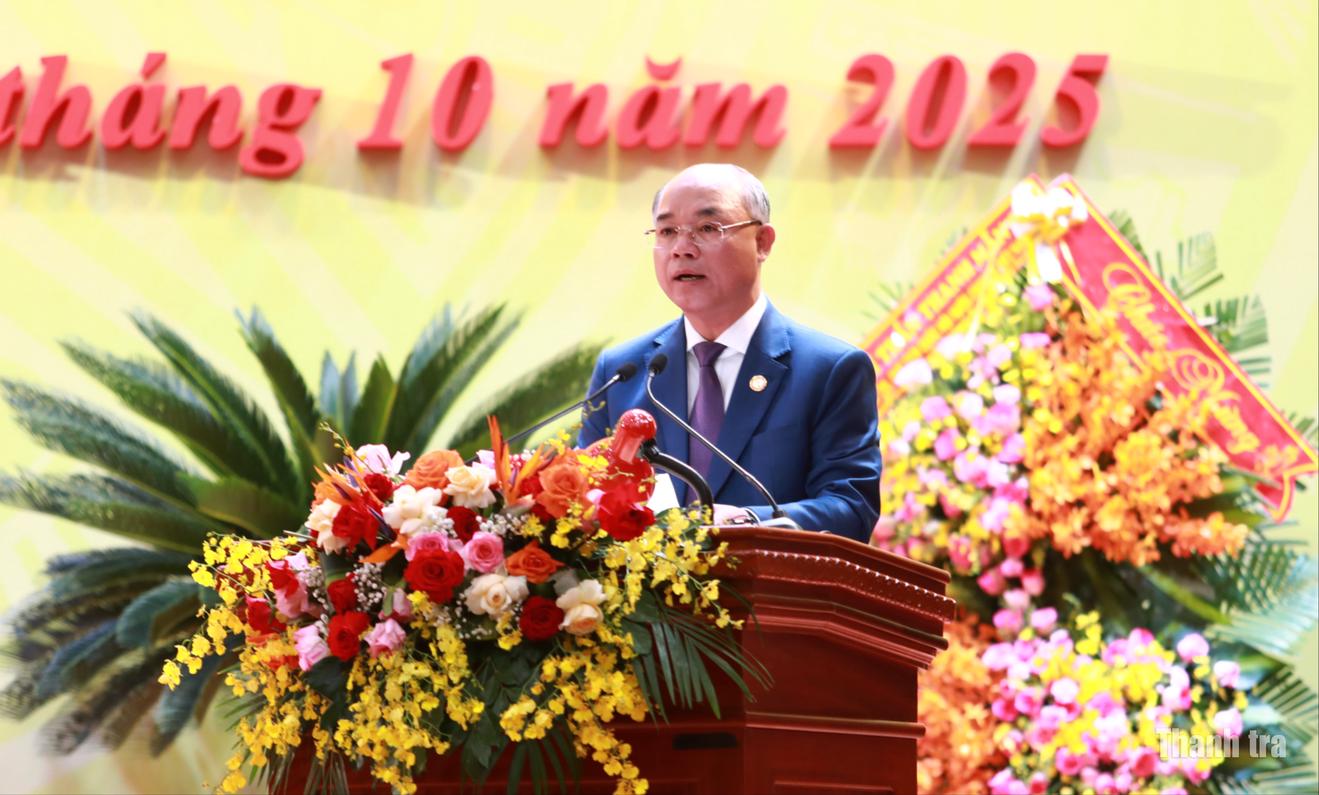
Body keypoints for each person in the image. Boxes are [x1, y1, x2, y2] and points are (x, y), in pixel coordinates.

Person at [578, 163, 880, 542]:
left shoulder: (830, 370)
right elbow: (584, 499)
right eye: (667, 231)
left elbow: (851, 507)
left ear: (763, 242)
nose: (682, 249)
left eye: (708, 228)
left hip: (771, 579)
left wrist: (746, 521)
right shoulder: (623, 373)